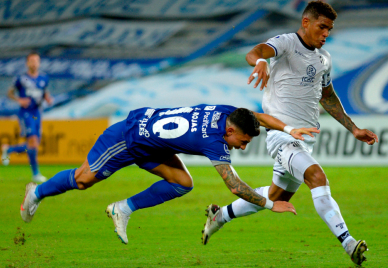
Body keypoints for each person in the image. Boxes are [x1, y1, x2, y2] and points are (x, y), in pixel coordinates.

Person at [201, 1, 378, 267]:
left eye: (329, 29)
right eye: (322, 27)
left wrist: (353, 128)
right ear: (306, 22)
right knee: (316, 177)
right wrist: (261, 61)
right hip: (281, 137)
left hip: (305, 141)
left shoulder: (324, 59)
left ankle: (220, 215)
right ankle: (348, 242)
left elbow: (328, 97)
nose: (326, 33)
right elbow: (257, 51)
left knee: (275, 197)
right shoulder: (286, 44)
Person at [20, 104, 319, 244]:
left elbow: (258, 118)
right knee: (84, 180)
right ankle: (35, 193)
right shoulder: (215, 142)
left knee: (182, 182)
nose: (242, 146)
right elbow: (235, 187)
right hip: (128, 139)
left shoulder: (228, 113)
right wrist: (270, 203)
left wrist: (289, 129)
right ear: (229, 131)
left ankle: (122, 209)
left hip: (152, 143)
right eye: (242, 141)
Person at [2, 52, 53, 183]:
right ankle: (36, 173)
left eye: (36, 60)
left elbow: (44, 92)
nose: (34, 63)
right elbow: (9, 92)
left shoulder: (44, 78)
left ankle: (9, 149)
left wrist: (48, 98)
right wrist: (19, 99)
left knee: (34, 144)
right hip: (26, 113)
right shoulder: (21, 79)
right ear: (27, 63)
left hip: (37, 113)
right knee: (33, 142)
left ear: (39, 63)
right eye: (32, 61)